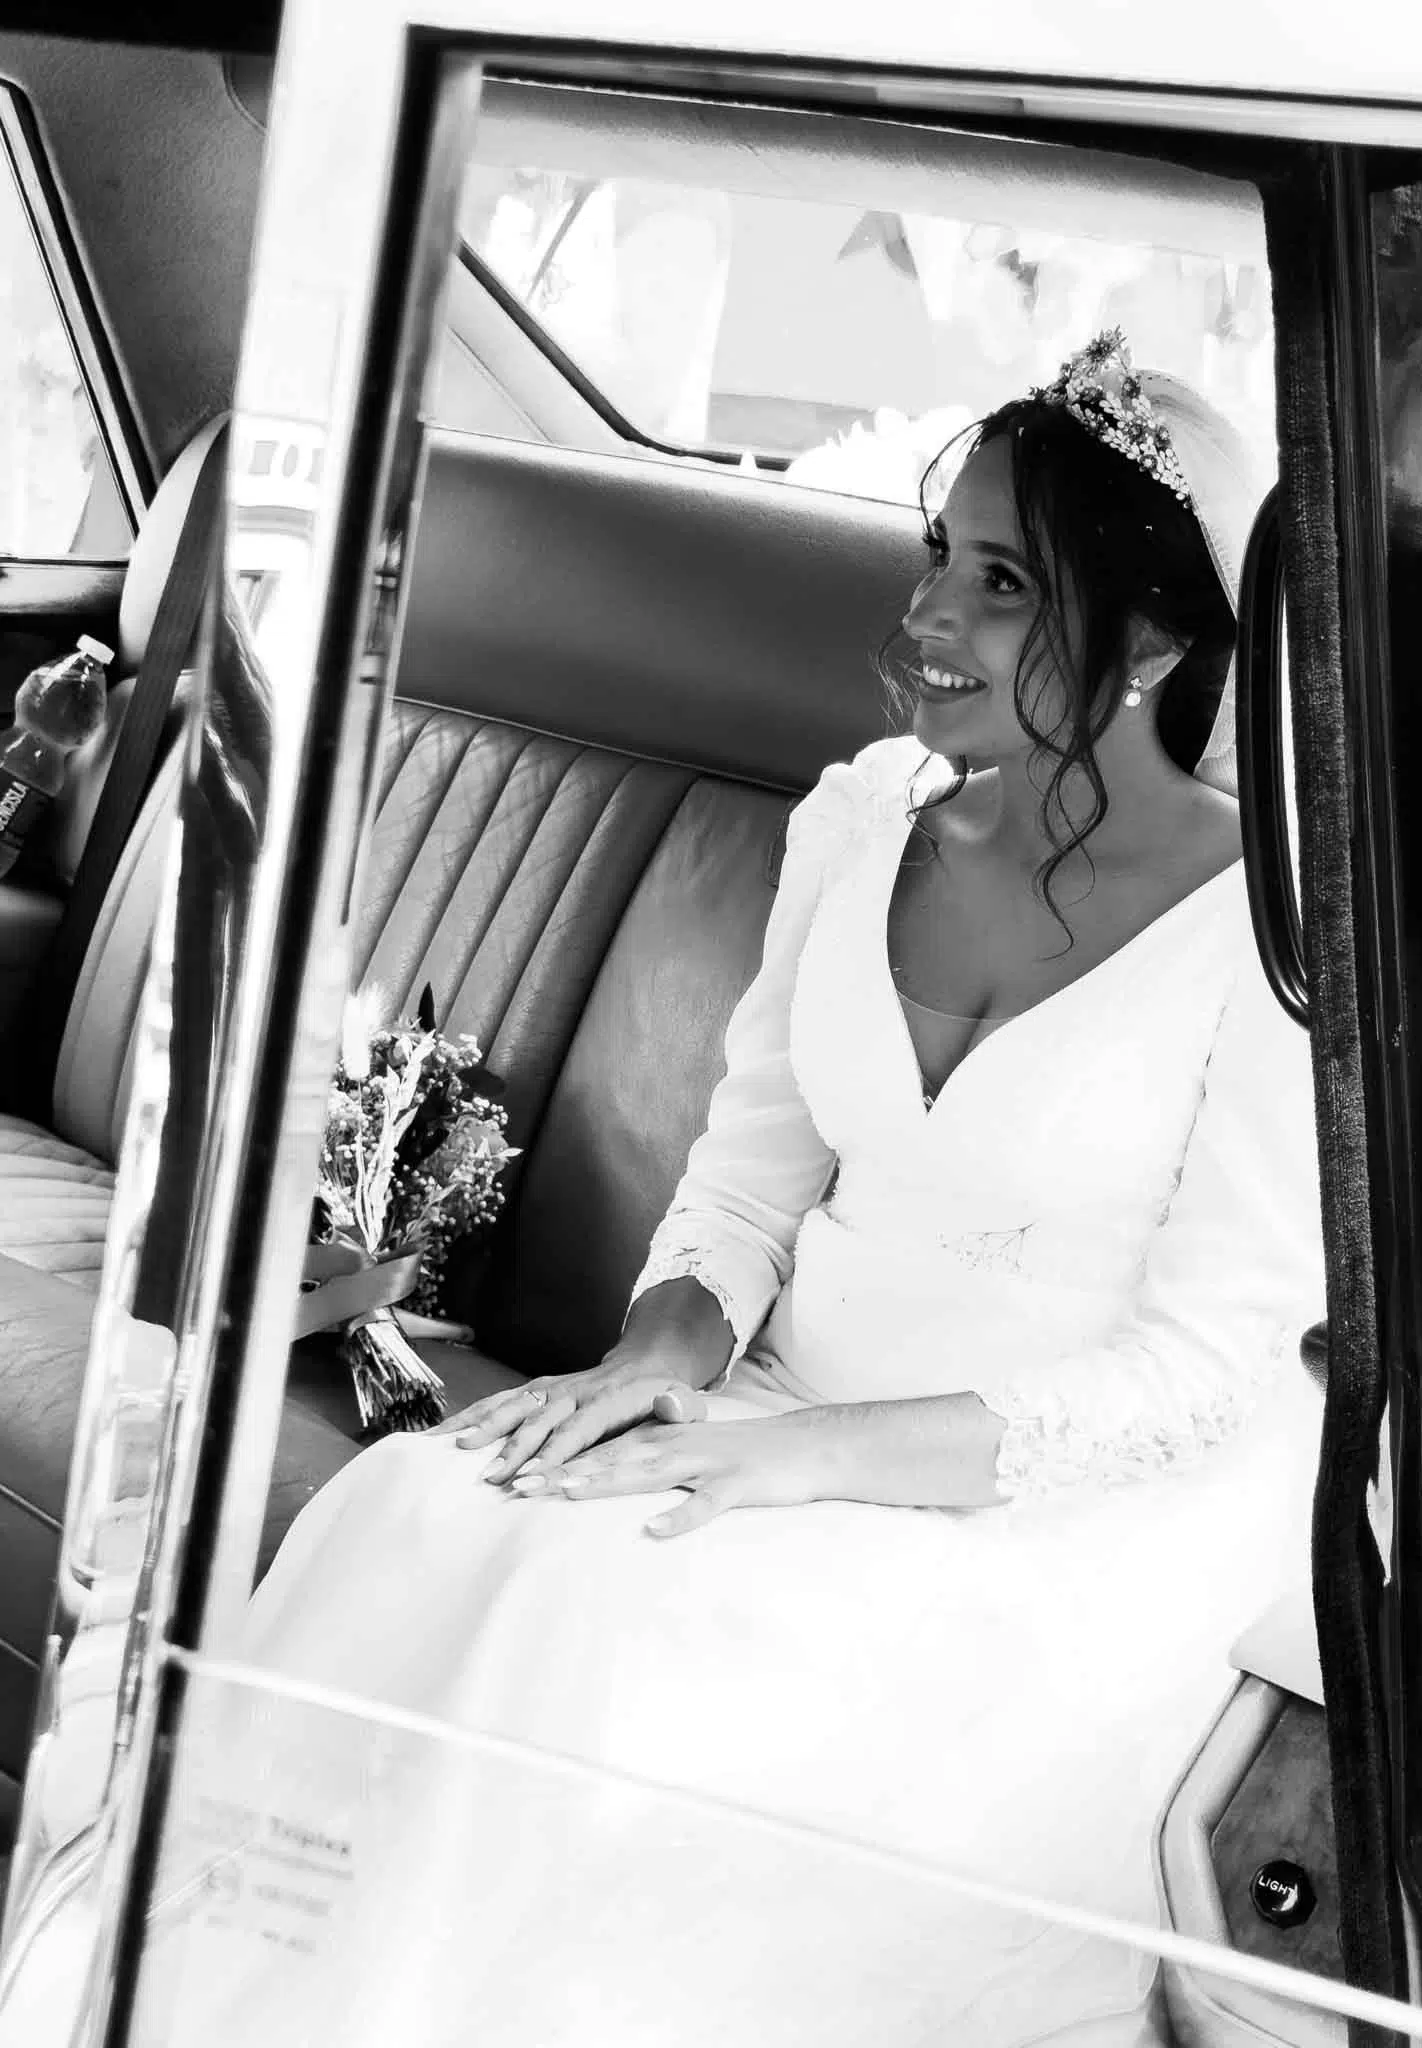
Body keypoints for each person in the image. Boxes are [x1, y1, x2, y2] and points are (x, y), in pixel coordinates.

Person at [152, 333, 1324, 2048]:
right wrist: (656, 1360)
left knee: (605, 1643)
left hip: (1057, 1512)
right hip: (771, 1402)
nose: (927, 616)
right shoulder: (861, 825)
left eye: (1001, 586)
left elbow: (1205, 1369)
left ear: (1149, 644)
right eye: (941, 556)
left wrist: (800, 1464)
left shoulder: (1268, 934)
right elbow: (746, 1184)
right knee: (418, 1511)